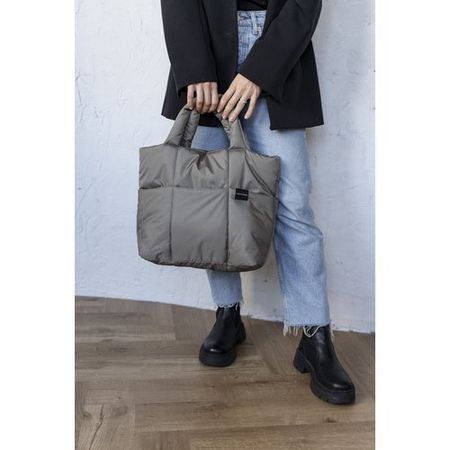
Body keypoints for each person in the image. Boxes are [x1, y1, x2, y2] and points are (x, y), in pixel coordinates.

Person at [160, 0, 355, 405]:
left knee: (293, 207)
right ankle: (227, 312)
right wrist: (193, 66)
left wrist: (260, 70)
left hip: (279, 52)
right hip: (208, 57)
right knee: (212, 204)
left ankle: (315, 336)